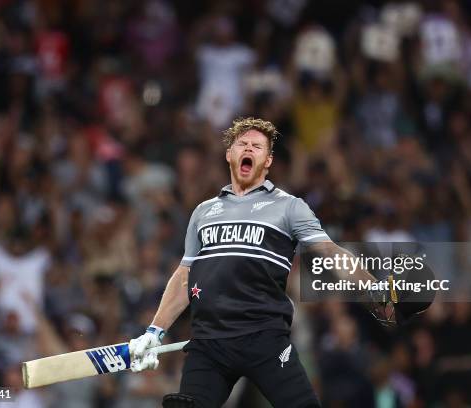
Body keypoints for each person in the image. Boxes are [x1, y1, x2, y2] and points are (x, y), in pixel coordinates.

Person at [128, 117, 412, 408]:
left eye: (257, 146)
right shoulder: (203, 212)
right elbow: (185, 275)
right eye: (242, 144)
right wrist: (155, 330)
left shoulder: (289, 207)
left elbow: (331, 252)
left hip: (264, 339)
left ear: (268, 160)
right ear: (230, 154)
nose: (248, 149)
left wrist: (374, 288)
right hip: (209, 343)